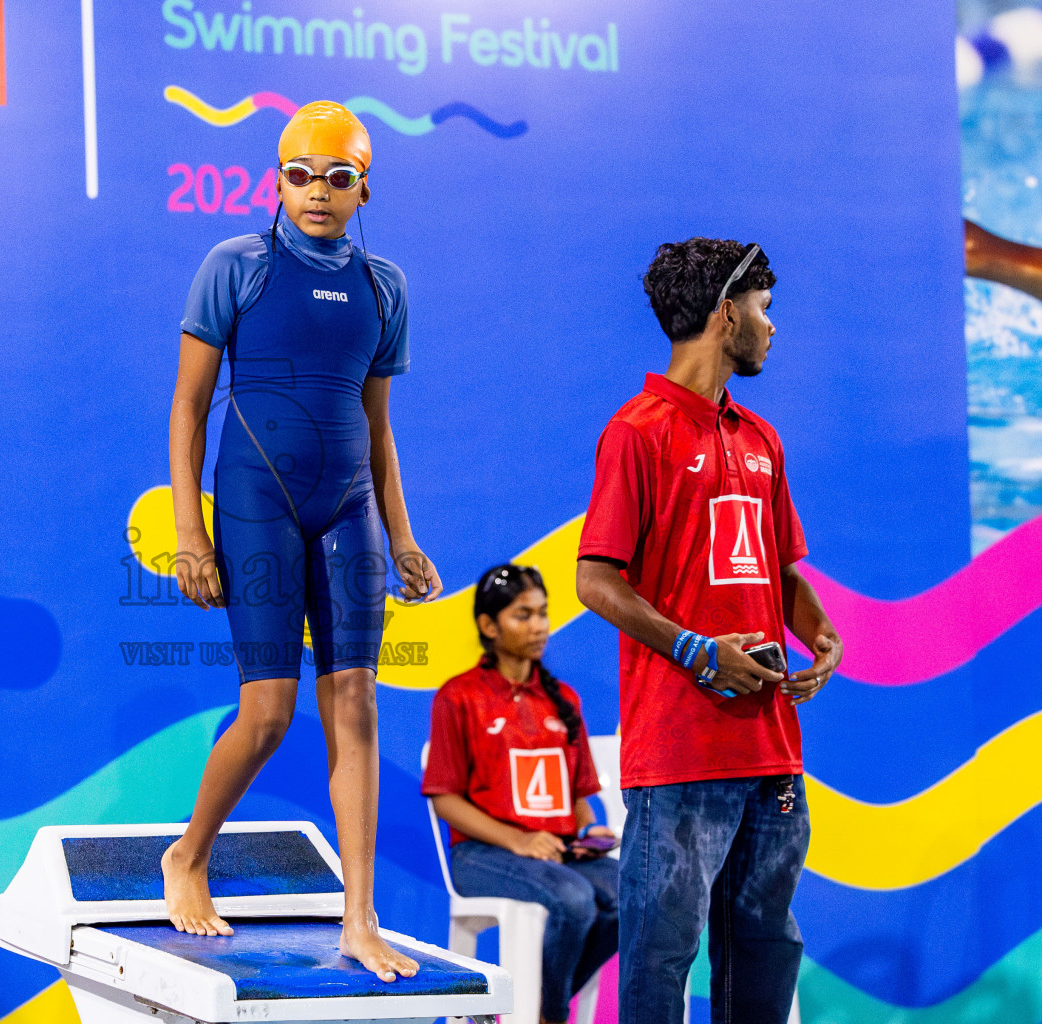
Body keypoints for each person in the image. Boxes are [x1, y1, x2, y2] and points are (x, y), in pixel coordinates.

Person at [163, 100, 444, 982]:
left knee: (356, 704)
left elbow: (379, 427)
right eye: (299, 174)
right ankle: (188, 855)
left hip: (348, 504)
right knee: (269, 713)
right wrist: (190, 534)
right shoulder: (236, 266)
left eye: (338, 176)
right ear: (275, 178)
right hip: (255, 501)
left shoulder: (384, 286)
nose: (317, 192)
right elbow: (189, 406)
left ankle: (360, 919)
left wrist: (401, 535)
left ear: (366, 187)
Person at [573, 237, 844, 1024]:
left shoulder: (762, 439)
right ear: (727, 312)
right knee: (661, 959)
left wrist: (822, 635)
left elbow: (780, 572)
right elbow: (595, 581)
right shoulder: (639, 430)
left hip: (773, 750)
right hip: (681, 754)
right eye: (763, 309)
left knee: (765, 952)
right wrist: (696, 650)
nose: (771, 326)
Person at [422, 564, 618, 1024]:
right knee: (572, 899)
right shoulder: (458, 697)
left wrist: (589, 831)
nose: (539, 626)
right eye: (523, 615)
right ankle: (544, 1015)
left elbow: (577, 796)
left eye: (543, 614)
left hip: (557, 852)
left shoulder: (563, 698)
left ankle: (526, 1007)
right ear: (489, 626)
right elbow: (444, 799)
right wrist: (519, 841)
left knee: (634, 893)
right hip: (482, 855)